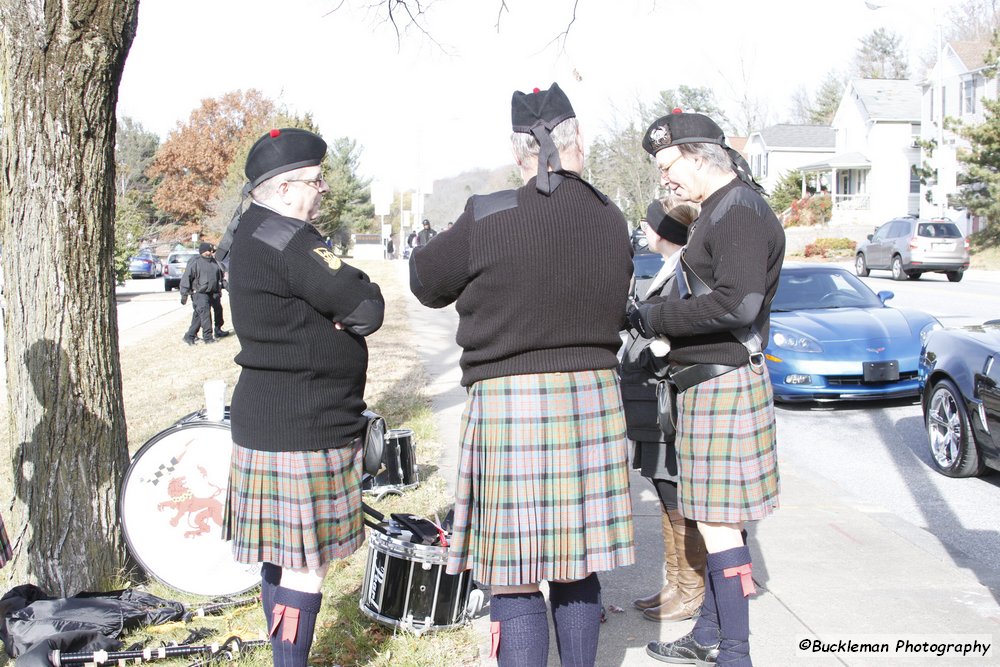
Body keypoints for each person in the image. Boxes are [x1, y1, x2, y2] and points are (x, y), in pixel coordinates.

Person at [409, 83, 635, 667]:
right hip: (591, 399)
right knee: (576, 565)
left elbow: (425, 283)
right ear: (576, 141)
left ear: (519, 153)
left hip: (511, 404)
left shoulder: (489, 213)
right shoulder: (610, 217)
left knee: (513, 576)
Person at [219, 127, 385, 667]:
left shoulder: (251, 231)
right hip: (303, 425)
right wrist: (345, 310)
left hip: (271, 420)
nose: (322, 191)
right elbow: (367, 308)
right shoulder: (290, 238)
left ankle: (279, 656)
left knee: (279, 557)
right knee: (304, 568)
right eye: (316, 182)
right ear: (287, 187)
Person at [631, 111, 785, 667]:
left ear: (698, 155)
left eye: (669, 166)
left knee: (718, 525)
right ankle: (709, 634)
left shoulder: (738, 210)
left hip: (723, 387)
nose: (666, 180)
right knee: (712, 519)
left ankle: (735, 654)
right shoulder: (720, 209)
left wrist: (655, 316)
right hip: (707, 388)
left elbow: (737, 303)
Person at [620, 197, 707, 624]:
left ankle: (690, 591)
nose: (645, 228)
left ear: (661, 232)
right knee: (663, 491)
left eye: (650, 224)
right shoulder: (669, 268)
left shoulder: (685, 271)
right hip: (651, 402)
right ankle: (675, 582)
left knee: (676, 495)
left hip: (666, 400)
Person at [179, 242, 225, 345]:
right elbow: (186, 277)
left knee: (199, 316)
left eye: (211, 251)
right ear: (202, 251)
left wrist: (226, 287)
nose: (210, 253)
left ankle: (190, 336)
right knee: (204, 314)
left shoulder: (214, 262)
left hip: (213, 292)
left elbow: (220, 277)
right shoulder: (195, 262)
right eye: (208, 251)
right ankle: (208, 338)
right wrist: (184, 294)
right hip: (199, 293)